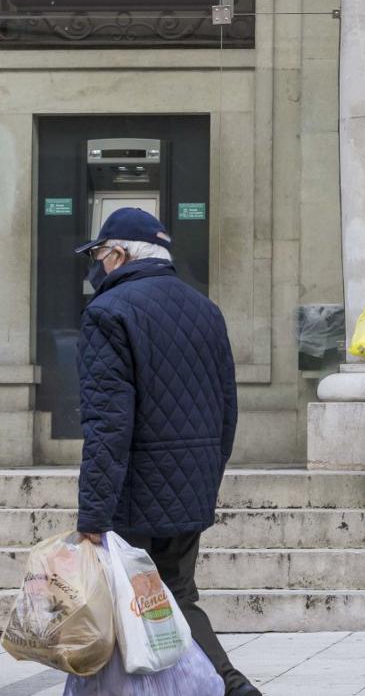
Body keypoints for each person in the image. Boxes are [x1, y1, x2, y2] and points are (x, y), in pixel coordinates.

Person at [73, 208, 259, 696]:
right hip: (191, 485)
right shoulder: (205, 308)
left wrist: (93, 513)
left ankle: (223, 686)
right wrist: (206, 481)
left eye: (97, 254)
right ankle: (228, 686)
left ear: (117, 253)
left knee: (125, 600)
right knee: (174, 594)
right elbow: (227, 409)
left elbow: (107, 423)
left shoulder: (107, 313)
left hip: (135, 492)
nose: (95, 264)